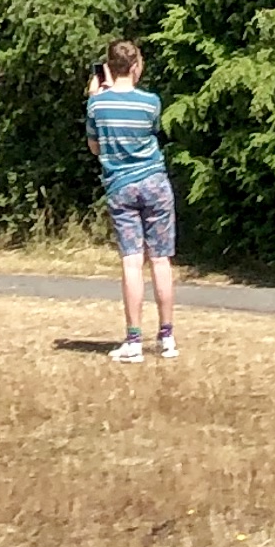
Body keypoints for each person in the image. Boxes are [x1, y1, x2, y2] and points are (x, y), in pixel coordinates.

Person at [86, 40, 178, 363]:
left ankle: (134, 341)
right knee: (161, 260)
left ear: (108, 68)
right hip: (155, 183)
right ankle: (167, 338)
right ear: (136, 65)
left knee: (132, 260)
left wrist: (97, 95)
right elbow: (152, 132)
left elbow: (95, 148)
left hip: (120, 187)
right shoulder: (151, 102)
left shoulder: (96, 105)